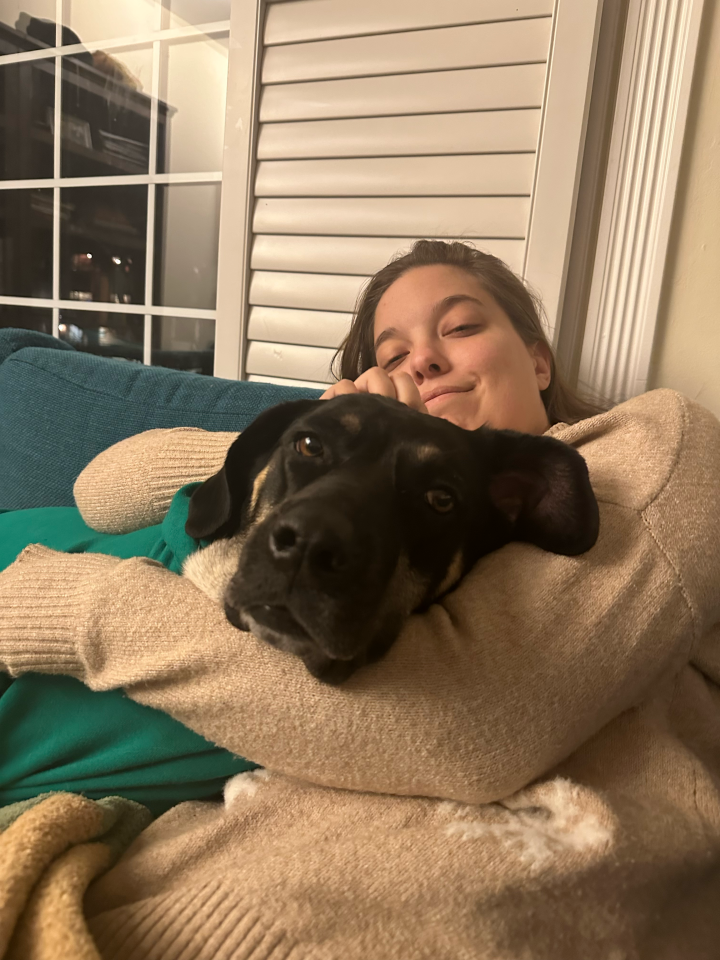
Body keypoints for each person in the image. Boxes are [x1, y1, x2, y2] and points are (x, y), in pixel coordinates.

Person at [1, 239, 720, 958]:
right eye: (393, 351)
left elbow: (476, 720)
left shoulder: (646, 450)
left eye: (461, 327)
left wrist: (79, 610)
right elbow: (102, 490)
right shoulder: (319, 452)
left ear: (538, 359)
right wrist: (312, 434)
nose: (423, 360)